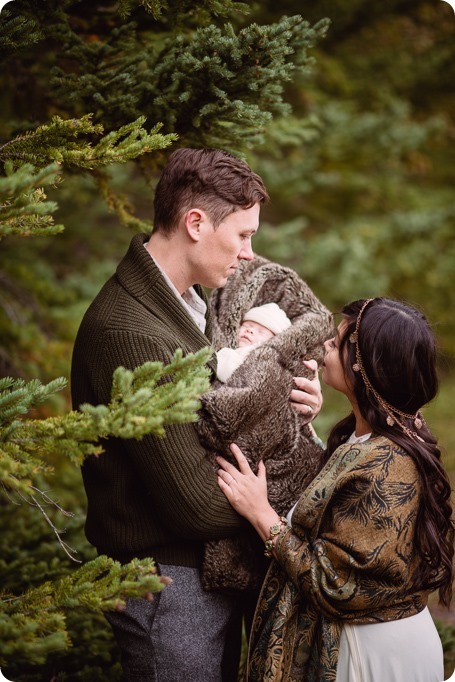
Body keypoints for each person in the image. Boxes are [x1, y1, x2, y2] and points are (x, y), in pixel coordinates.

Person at [70, 147, 323, 682]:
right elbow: (199, 508)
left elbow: (226, 415)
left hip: (201, 579)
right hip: (168, 588)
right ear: (195, 223)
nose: (249, 254)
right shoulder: (130, 331)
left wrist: (293, 411)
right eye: (243, 235)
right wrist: (281, 511)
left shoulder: (193, 304)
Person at [216, 297, 454, 682]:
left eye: (339, 340)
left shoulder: (389, 465)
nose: (326, 343)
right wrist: (303, 425)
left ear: (363, 364)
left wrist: (261, 516)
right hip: (362, 643)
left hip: (370, 656)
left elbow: (336, 586)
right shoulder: (374, 436)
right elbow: (333, 505)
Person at [198, 296, 331, 598]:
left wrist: (261, 512)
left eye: (257, 329)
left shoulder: (267, 363)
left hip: (275, 529)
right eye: (245, 326)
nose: (247, 331)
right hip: (250, 508)